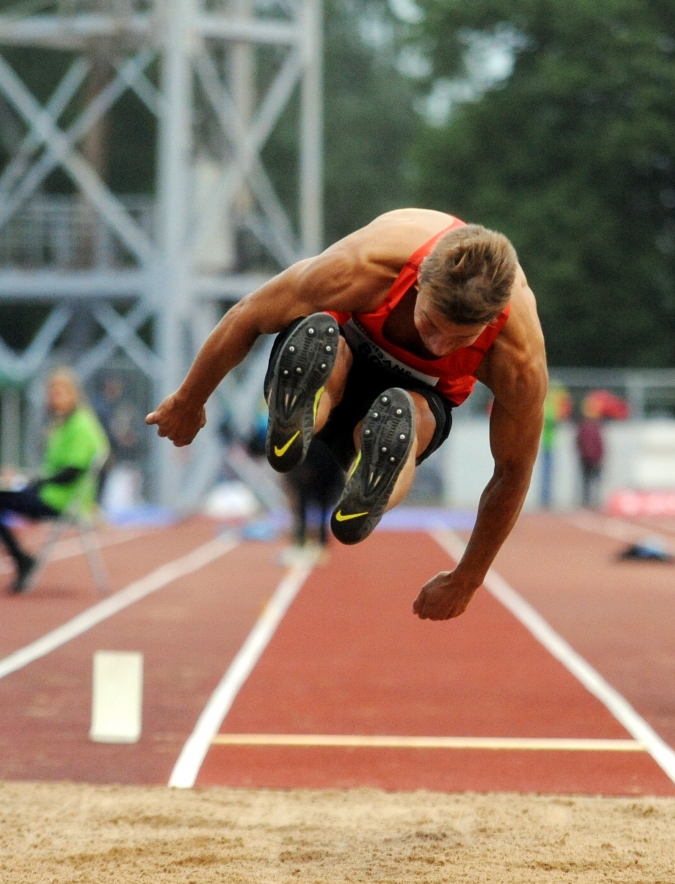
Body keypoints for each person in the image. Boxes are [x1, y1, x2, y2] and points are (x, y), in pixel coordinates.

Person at [147, 208, 548, 620]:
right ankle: (309, 408)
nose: (438, 346)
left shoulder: (518, 356)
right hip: (346, 344)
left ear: (493, 319)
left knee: (410, 419)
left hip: (416, 395)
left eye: (461, 338)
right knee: (330, 349)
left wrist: (468, 578)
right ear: (423, 275)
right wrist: (188, 400)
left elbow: (513, 471)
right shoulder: (367, 264)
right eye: (430, 323)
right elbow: (251, 313)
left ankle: (367, 476)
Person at [0, 368, 109, 593]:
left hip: (62, 501)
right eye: (52, 392)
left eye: (60, 392)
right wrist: (23, 478)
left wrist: (35, 483)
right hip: (52, 495)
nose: (54, 397)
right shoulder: (62, 425)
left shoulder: (81, 425)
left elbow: (71, 473)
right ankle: (21, 559)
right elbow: (53, 470)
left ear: (73, 393)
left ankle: (21, 559)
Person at [576, 396, 605, 509]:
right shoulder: (591, 427)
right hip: (589, 458)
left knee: (589, 481)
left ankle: (590, 501)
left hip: (590, 458)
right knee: (588, 481)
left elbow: (599, 444)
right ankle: (588, 501)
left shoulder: (585, 427)